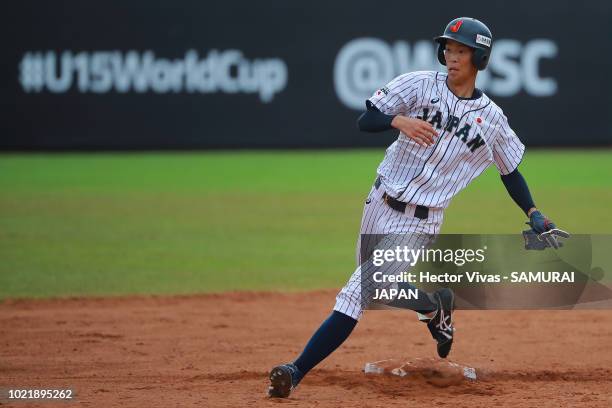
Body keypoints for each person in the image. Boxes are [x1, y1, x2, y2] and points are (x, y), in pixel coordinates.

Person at [267, 17, 568, 398]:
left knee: (356, 292)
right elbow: (366, 120)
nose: (451, 55)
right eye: (448, 48)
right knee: (378, 288)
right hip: (380, 200)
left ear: (479, 58)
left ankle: (294, 372)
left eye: (461, 50)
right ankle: (432, 305)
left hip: (422, 221)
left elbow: (510, 172)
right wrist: (398, 120)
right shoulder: (419, 84)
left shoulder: (491, 119)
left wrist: (534, 213)